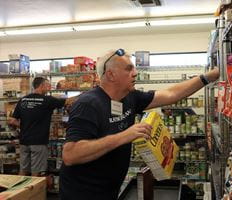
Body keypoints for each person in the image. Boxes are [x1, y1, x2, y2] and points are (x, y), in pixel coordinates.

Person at [59, 49, 219, 200]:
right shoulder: (88, 104)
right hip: (82, 193)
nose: (135, 73)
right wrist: (124, 136)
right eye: (129, 69)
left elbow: (171, 94)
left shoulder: (130, 97)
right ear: (111, 74)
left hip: (109, 189)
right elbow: (70, 155)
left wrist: (208, 77)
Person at [8, 77, 76, 176]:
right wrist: (84, 94)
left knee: (23, 170)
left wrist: (24, 126)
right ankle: (35, 192)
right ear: (41, 86)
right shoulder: (47, 100)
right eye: (47, 85)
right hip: (38, 142)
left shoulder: (23, 100)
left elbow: (13, 121)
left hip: (24, 141)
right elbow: (67, 101)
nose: (49, 88)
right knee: (37, 172)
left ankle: (20, 191)